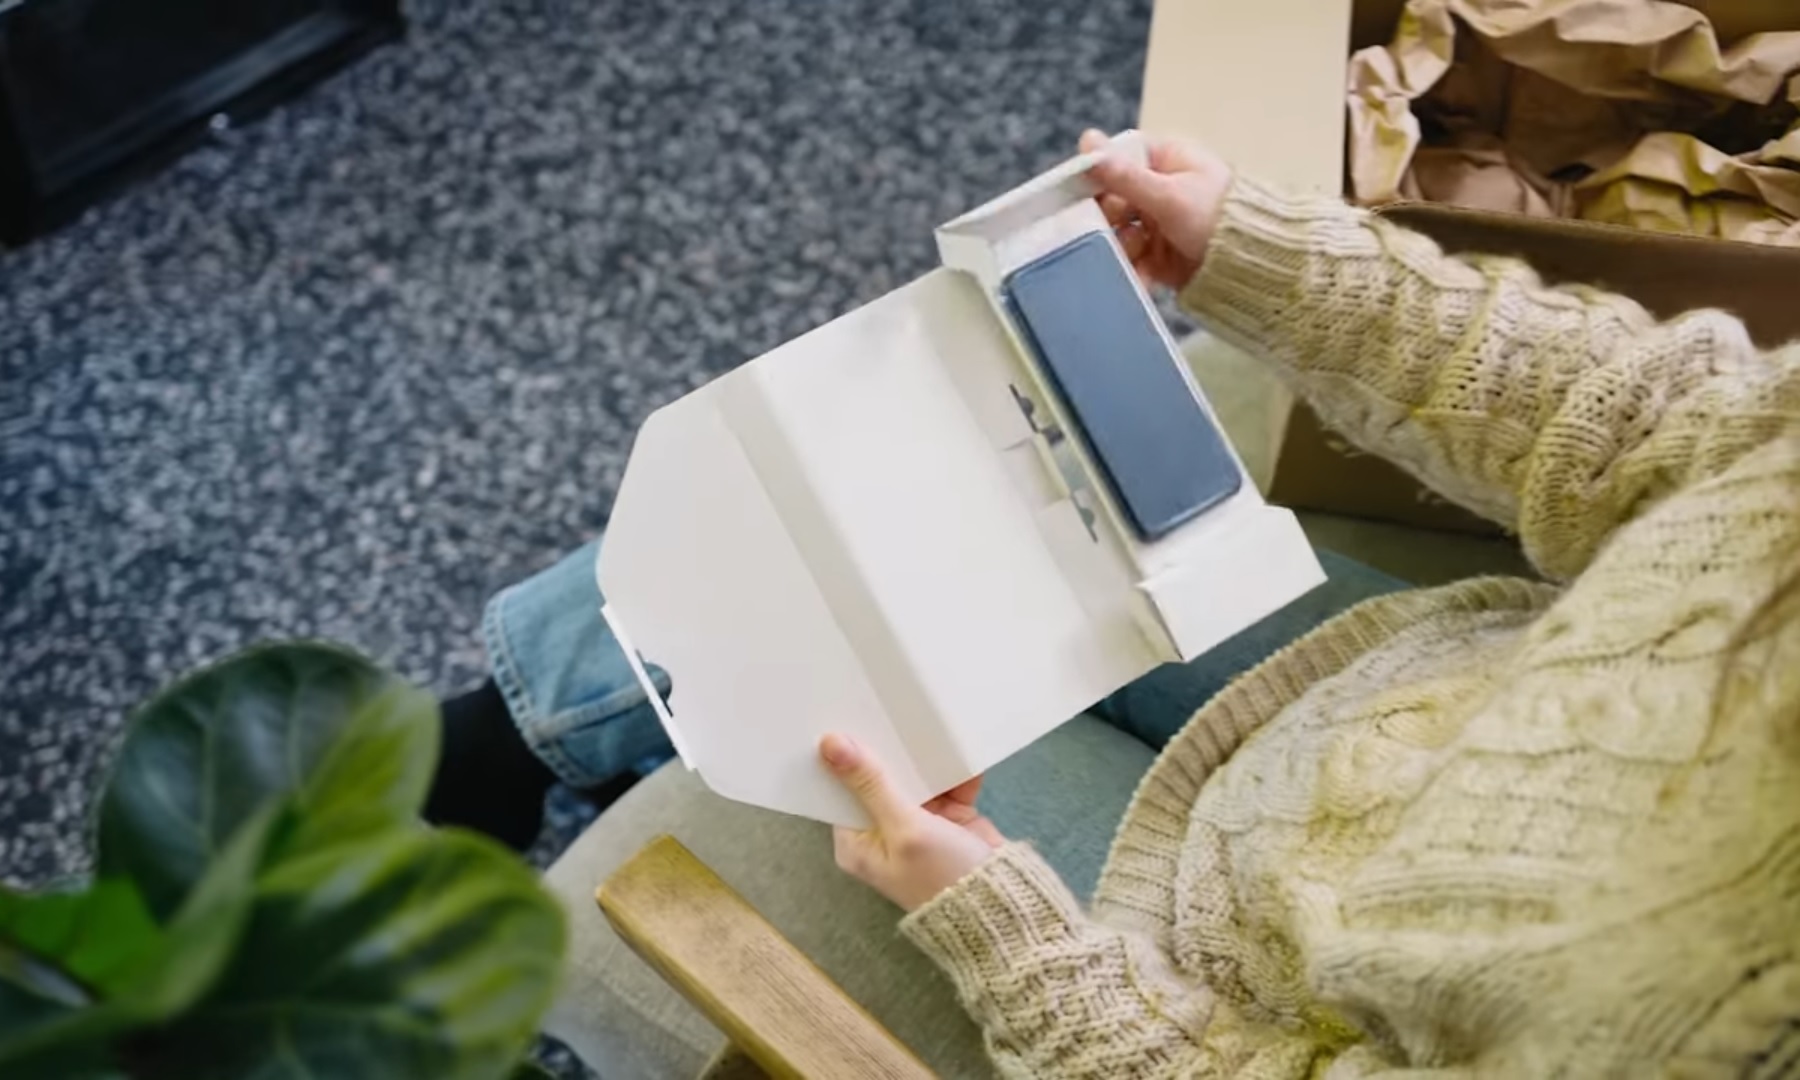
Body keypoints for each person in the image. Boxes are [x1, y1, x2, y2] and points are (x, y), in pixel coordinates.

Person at [430, 128, 1800, 1076]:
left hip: (1231, 987)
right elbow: (1676, 435)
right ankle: (512, 731)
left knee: (840, 646)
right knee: (889, 477)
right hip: (1430, 692)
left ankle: (487, 768)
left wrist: (1003, 932)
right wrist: (1288, 269)